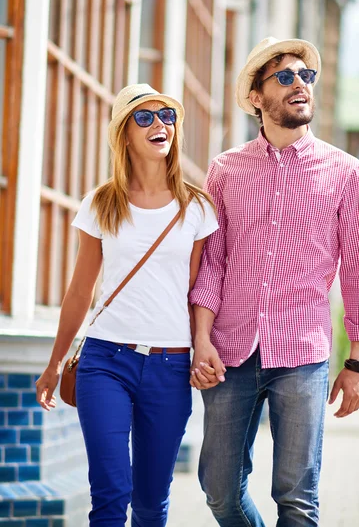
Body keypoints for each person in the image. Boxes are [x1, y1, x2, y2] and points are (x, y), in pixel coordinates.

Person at [189, 37, 359, 526]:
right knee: (218, 490)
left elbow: (358, 270)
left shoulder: (345, 172)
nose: (301, 84)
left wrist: (357, 361)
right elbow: (213, 262)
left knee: (297, 497)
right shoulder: (226, 170)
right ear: (257, 97)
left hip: (303, 354)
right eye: (286, 77)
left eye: (306, 76)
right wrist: (201, 338)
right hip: (231, 350)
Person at [36, 83, 218, 527]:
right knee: (110, 494)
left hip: (170, 366)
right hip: (105, 362)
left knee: (152, 500)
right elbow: (80, 291)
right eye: (145, 117)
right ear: (124, 134)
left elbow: (198, 289)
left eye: (167, 116)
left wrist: (202, 345)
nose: (161, 124)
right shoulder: (101, 204)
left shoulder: (196, 207)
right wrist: (55, 362)